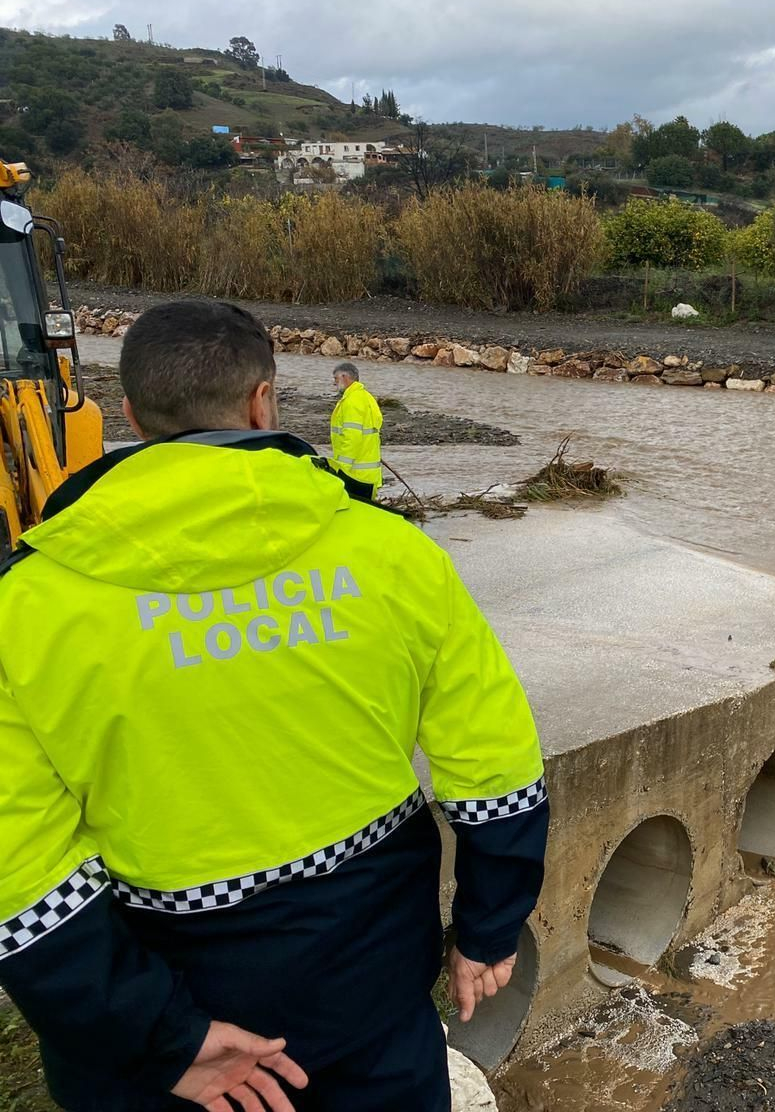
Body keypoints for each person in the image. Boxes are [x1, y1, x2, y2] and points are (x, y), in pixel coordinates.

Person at [0, 300, 549, 1111]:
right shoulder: (392, 555)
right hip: (368, 988)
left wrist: (159, 1034)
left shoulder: (27, 605)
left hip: (167, 1010)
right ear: (263, 402)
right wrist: (487, 929)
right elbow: (495, 764)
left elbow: (19, 870)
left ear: (130, 414)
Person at [329, 361, 383, 497]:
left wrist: (340, 470)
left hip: (356, 477)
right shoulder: (366, 397)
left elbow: (352, 438)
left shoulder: (352, 402)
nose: (334, 383)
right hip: (368, 476)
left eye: (336, 379)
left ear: (345, 377)